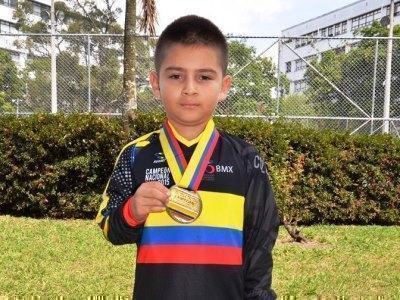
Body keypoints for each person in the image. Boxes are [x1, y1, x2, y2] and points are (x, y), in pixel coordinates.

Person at [96, 15, 280, 300]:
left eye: (204, 77)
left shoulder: (246, 159)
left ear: (224, 86)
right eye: (175, 76)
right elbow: (110, 229)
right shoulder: (136, 154)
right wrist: (133, 210)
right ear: (156, 84)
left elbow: (261, 240)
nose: (190, 88)